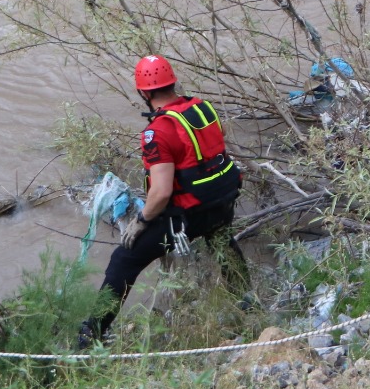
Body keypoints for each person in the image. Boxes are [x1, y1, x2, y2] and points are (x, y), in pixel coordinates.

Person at [77, 55, 248, 349]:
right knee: (221, 241)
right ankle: (247, 302)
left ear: (144, 92)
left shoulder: (157, 132)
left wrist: (141, 221)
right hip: (222, 201)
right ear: (172, 82)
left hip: (188, 214)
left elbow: (161, 192)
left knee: (124, 260)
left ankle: (91, 335)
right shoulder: (201, 108)